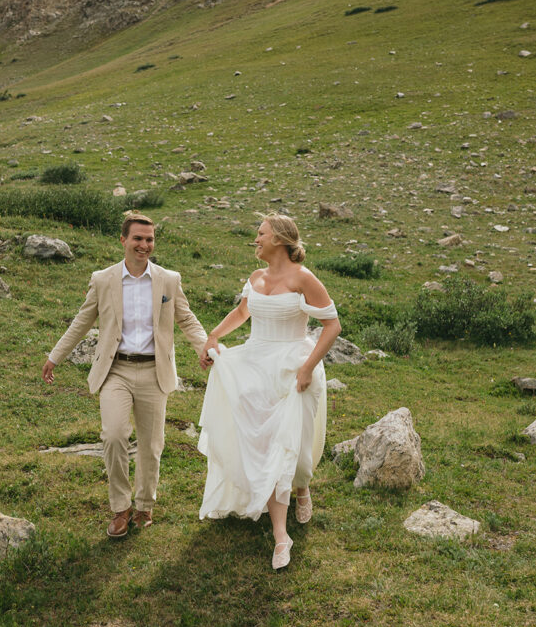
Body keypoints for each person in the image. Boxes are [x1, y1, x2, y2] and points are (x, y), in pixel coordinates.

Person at [42, 211, 207, 539]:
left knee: (151, 444)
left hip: (153, 371)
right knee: (114, 435)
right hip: (114, 370)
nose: (144, 245)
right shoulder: (103, 279)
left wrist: (206, 348)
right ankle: (120, 508)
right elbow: (82, 320)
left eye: (149, 239)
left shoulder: (168, 280)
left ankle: (144, 504)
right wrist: (55, 356)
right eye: (138, 239)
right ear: (123, 240)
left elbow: (186, 319)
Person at [198, 213, 341, 570]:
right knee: (265, 445)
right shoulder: (256, 277)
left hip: (293, 367)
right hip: (256, 364)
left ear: (279, 238)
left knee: (296, 447)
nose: (255, 239)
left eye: (260, 234)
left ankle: (302, 486)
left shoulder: (303, 278)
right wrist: (213, 336)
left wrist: (307, 366)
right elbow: (243, 311)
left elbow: (332, 325)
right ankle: (281, 534)